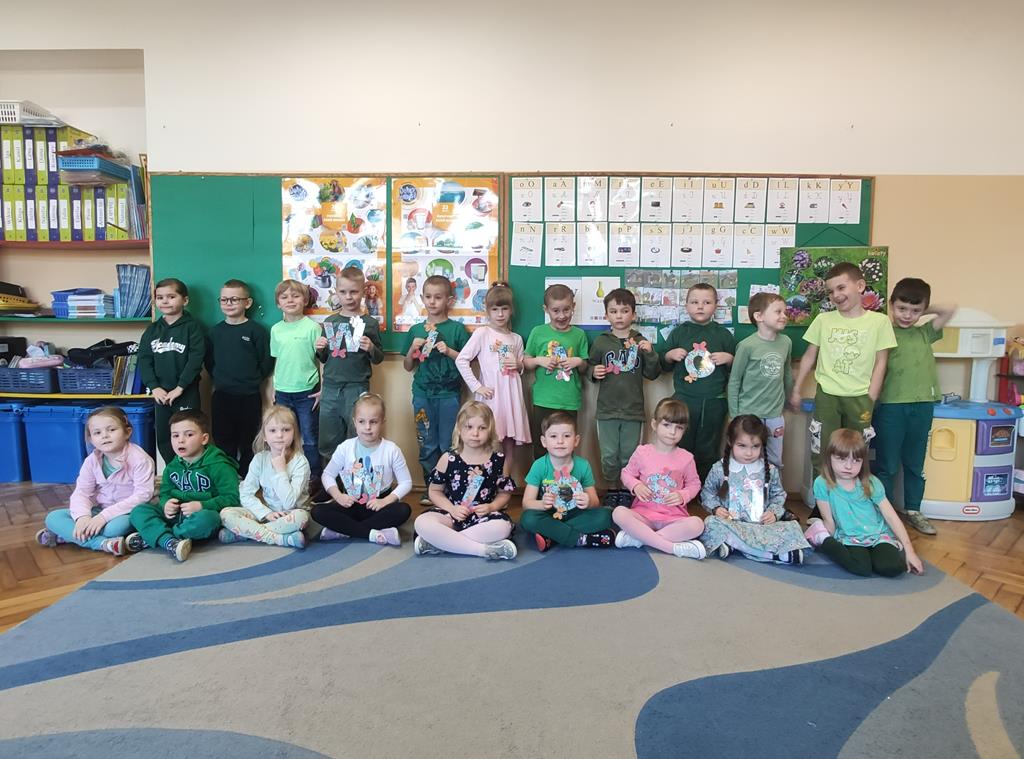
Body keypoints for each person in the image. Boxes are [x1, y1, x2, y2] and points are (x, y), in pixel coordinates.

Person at [790, 262, 897, 479]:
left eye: (841, 287)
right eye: (830, 292)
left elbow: (881, 361)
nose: (836, 295)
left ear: (860, 286)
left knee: (855, 453)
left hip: (860, 397)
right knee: (821, 450)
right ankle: (822, 496)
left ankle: (852, 496)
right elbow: (809, 356)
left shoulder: (879, 322)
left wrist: (871, 396)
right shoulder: (823, 320)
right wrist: (797, 389)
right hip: (827, 396)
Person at [873, 278, 956, 536]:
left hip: (922, 406)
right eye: (901, 308)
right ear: (891, 305)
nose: (907, 315)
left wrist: (922, 307)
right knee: (887, 465)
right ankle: (884, 514)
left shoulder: (925, 332)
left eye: (915, 310)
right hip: (891, 406)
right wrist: (909, 306)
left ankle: (913, 510)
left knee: (914, 464)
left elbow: (950, 309)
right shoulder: (883, 332)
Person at [804, 428, 924, 577]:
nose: (849, 466)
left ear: (863, 461)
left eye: (856, 460)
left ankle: (875, 554)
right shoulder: (821, 483)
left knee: (892, 568)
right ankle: (821, 538)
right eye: (841, 459)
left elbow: (892, 517)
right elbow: (829, 520)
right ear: (830, 457)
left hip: (878, 535)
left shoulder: (871, 483)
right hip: (849, 537)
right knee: (861, 568)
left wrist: (910, 552)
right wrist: (831, 539)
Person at [35, 407, 154, 556]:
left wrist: (103, 517)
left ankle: (68, 535)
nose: (105, 436)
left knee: (114, 529)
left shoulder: (140, 459)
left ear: (127, 432)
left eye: (111, 430)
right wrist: (82, 517)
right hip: (100, 509)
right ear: (91, 439)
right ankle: (103, 544)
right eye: (97, 433)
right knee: (53, 517)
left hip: (128, 513)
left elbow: (142, 496)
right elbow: (81, 492)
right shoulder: (91, 461)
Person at [127, 410, 240, 562]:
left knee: (209, 519)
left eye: (189, 435)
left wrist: (202, 505)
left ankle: (159, 537)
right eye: (175, 436)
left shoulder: (219, 465)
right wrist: (165, 503)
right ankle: (169, 541)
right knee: (139, 511)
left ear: (204, 439)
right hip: (175, 515)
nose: (180, 440)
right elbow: (165, 492)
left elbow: (232, 498)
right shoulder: (172, 466)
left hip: (202, 515)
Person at [413, 401, 517, 560]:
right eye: (469, 427)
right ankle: (481, 550)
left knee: (503, 527)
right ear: (459, 429)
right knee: (421, 522)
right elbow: (434, 491)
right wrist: (452, 509)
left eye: (482, 428)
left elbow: (504, 493)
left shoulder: (499, 460)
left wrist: (492, 506)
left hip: (482, 517)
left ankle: (441, 542)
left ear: (490, 430)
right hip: (451, 514)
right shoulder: (448, 458)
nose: (475, 433)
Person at [699, 415, 809, 564]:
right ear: (730, 442)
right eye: (742, 446)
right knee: (710, 523)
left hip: (762, 527)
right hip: (731, 524)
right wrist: (716, 509)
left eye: (755, 446)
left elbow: (778, 496)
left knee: (793, 527)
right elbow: (707, 493)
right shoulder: (719, 469)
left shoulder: (770, 470)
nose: (749, 453)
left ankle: (734, 545)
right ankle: (770, 555)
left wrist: (774, 513)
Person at [589, 287, 661, 506]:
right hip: (607, 410)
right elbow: (590, 365)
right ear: (606, 315)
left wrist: (650, 353)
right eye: (614, 311)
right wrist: (593, 371)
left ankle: (628, 489)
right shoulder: (601, 342)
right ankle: (612, 489)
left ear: (633, 315)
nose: (619, 316)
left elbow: (652, 373)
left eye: (624, 311)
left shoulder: (640, 341)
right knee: (609, 456)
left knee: (629, 456)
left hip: (633, 410)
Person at [403, 275, 470, 505]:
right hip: (422, 396)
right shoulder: (415, 330)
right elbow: (408, 366)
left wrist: (449, 351)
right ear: (422, 298)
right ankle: (430, 487)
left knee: (448, 443)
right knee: (426, 441)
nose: (432, 302)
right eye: (428, 297)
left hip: (449, 396)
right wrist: (412, 349)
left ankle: (449, 488)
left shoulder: (457, 330)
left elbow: (468, 363)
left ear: (449, 300)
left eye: (438, 297)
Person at [312, 393, 412, 546]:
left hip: (378, 505)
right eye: (361, 421)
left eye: (374, 422)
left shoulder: (391, 450)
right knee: (317, 512)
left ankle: (343, 530)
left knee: (403, 510)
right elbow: (327, 475)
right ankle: (372, 533)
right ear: (354, 422)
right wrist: (338, 496)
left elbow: (406, 482)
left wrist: (385, 501)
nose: (367, 427)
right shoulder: (345, 447)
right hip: (350, 504)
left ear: (382, 422)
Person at [659, 282, 735, 481]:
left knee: (708, 448)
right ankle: (680, 486)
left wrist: (729, 359)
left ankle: (705, 488)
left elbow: (737, 370)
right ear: (686, 305)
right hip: (684, 400)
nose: (700, 306)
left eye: (707, 302)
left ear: (716, 306)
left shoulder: (723, 335)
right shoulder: (679, 333)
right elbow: (663, 364)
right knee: (680, 445)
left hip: (714, 401)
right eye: (694, 302)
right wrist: (670, 355)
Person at [612, 398, 705, 558]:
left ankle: (640, 539)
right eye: (667, 425)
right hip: (643, 516)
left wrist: (683, 495)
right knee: (618, 513)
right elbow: (626, 473)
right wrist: (636, 485)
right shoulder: (642, 452)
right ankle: (671, 548)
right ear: (654, 425)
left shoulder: (686, 458)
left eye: (679, 427)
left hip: (673, 519)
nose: (672, 432)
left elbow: (694, 484)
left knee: (697, 524)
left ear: (684, 430)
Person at [455, 282, 531, 465]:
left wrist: (519, 364)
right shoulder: (482, 333)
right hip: (491, 396)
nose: (500, 314)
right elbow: (461, 360)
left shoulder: (516, 339)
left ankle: (504, 480)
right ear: (487, 310)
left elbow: (521, 367)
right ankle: (485, 480)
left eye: (504, 309)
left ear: (511, 310)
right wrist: (477, 387)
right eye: (495, 309)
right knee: (489, 440)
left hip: (511, 396)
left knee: (509, 443)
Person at [205, 278, 272, 477]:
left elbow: (265, 361)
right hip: (222, 395)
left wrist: (252, 379)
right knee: (223, 440)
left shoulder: (256, 331)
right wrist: (221, 379)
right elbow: (209, 362)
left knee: (249, 440)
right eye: (224, 299)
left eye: (234, 299)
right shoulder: (215, 332)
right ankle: (228, 477)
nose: (229, 303)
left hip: (249, 395)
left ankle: (247, 478)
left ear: (247, 303)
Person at [520, 411, 614, 551]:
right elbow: (527, 503)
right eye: (553, 436)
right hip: (549, 514)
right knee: (528, 518)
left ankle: (552, 536)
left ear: (576, 440)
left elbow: (595, 502)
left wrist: (588, 501)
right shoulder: (539, 466)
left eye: (567, 436)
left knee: (605, 516)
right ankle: (581, 539)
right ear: (544, 442)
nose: (560, 441)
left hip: (575, 513)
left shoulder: (583, 465)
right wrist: (542, 504)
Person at [219, 405, 310, 548]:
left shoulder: (300, 462)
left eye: (286, 430)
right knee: (226, 514)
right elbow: (246, 494)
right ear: (265, 436)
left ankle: (243, 533)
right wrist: (265, 513)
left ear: (294, 433)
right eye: (273, 430)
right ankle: (280, 539)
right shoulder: (260, 459)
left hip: (290, 514)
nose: (279, 435)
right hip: (267, 513)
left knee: (301, 518)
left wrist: (281, 471)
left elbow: (289, 503)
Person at [316, 266, 384, 458]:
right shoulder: (330, 321)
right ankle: (331, 476)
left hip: (357, 387)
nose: (348, 297)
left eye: (354, 292)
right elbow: (324, 358)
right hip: (330, 388)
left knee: (359, 436)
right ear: (336, 292)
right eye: (343, 292)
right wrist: (319, 349)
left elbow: (379, 358)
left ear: (363, 292)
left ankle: (357, 475)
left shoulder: (370, 323)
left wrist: (371, 348)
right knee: (328, 438)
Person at [138, 277, 206, 464]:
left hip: (185, 392)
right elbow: (144, 360)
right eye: (160, 298)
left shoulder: (193, 328)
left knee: (189, 433)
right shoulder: (152, 330)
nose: (165, 301)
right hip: (161, 394)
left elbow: (195, 360)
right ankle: (173, 470)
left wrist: (180, 387)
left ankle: (192, 470)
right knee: (165, 435)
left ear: (185, 300)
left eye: (171, 296)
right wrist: (154, 387)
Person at [727, 292, 793, 470]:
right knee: (745, 458)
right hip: (748, 414)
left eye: (785, 312)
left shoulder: (786, 342)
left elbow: (787, 373)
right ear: (759, 316)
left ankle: (773, 488)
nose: (784, 316)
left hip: (774, 415)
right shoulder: (746, 346)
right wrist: (734, 415)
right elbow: (734, 381)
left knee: (774, 460)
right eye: (778, 312)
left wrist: (789, 399)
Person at [524, 283, 589, 460]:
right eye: (555, 311)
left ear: (573, 306)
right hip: (543, 400)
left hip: (569, 401)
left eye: (566, 309)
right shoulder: (538, 332)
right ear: (546, 310)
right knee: (541, 446)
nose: (562, 316)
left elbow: (585, 366)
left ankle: (564, 478)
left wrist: (578, 361)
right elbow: (525, 362)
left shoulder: (579, 335)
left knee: (566, 447)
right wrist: (539, 360)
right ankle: (542, 478)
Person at [270, 279, 323, 484]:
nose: (290, 300)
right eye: (284, 297)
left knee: (309, 437)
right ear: (278, 304)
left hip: (307, 391)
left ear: (305, 300)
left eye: (295, 296)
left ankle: (313, 477)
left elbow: (322, 360)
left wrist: (322, 388)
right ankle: (285, 473)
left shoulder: (313, 327)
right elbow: (277, 360)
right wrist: (273, 387)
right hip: (283, 392)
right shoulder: (276, 329)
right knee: (282, 436)